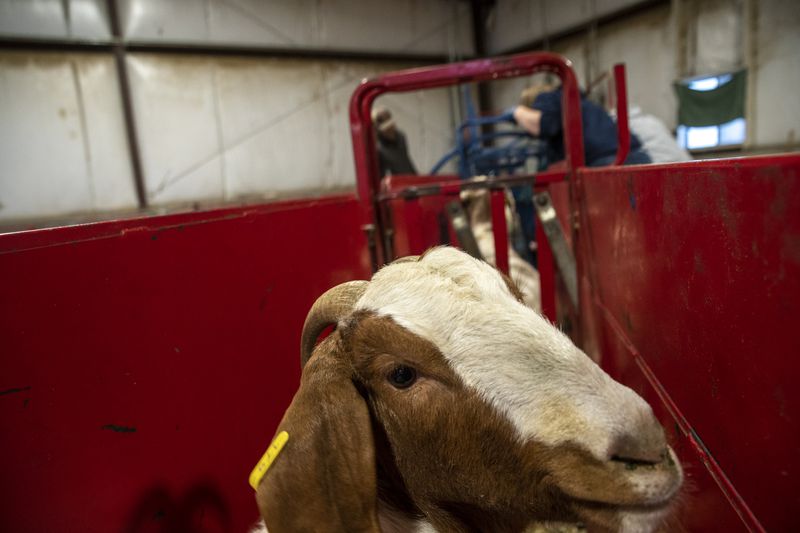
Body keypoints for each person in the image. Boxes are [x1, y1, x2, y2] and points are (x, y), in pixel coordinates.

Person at [511, 83, 651, 167]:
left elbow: (545, 124)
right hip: (638, 157)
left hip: (605, 164)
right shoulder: (581, 103)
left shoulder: (549, 98)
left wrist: (517, 113)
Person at [372, 107, 418, 176]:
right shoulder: (378, 148)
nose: (391, 129)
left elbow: (404, 162)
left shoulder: (400, 137)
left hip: (410, 177)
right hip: (395, 182)